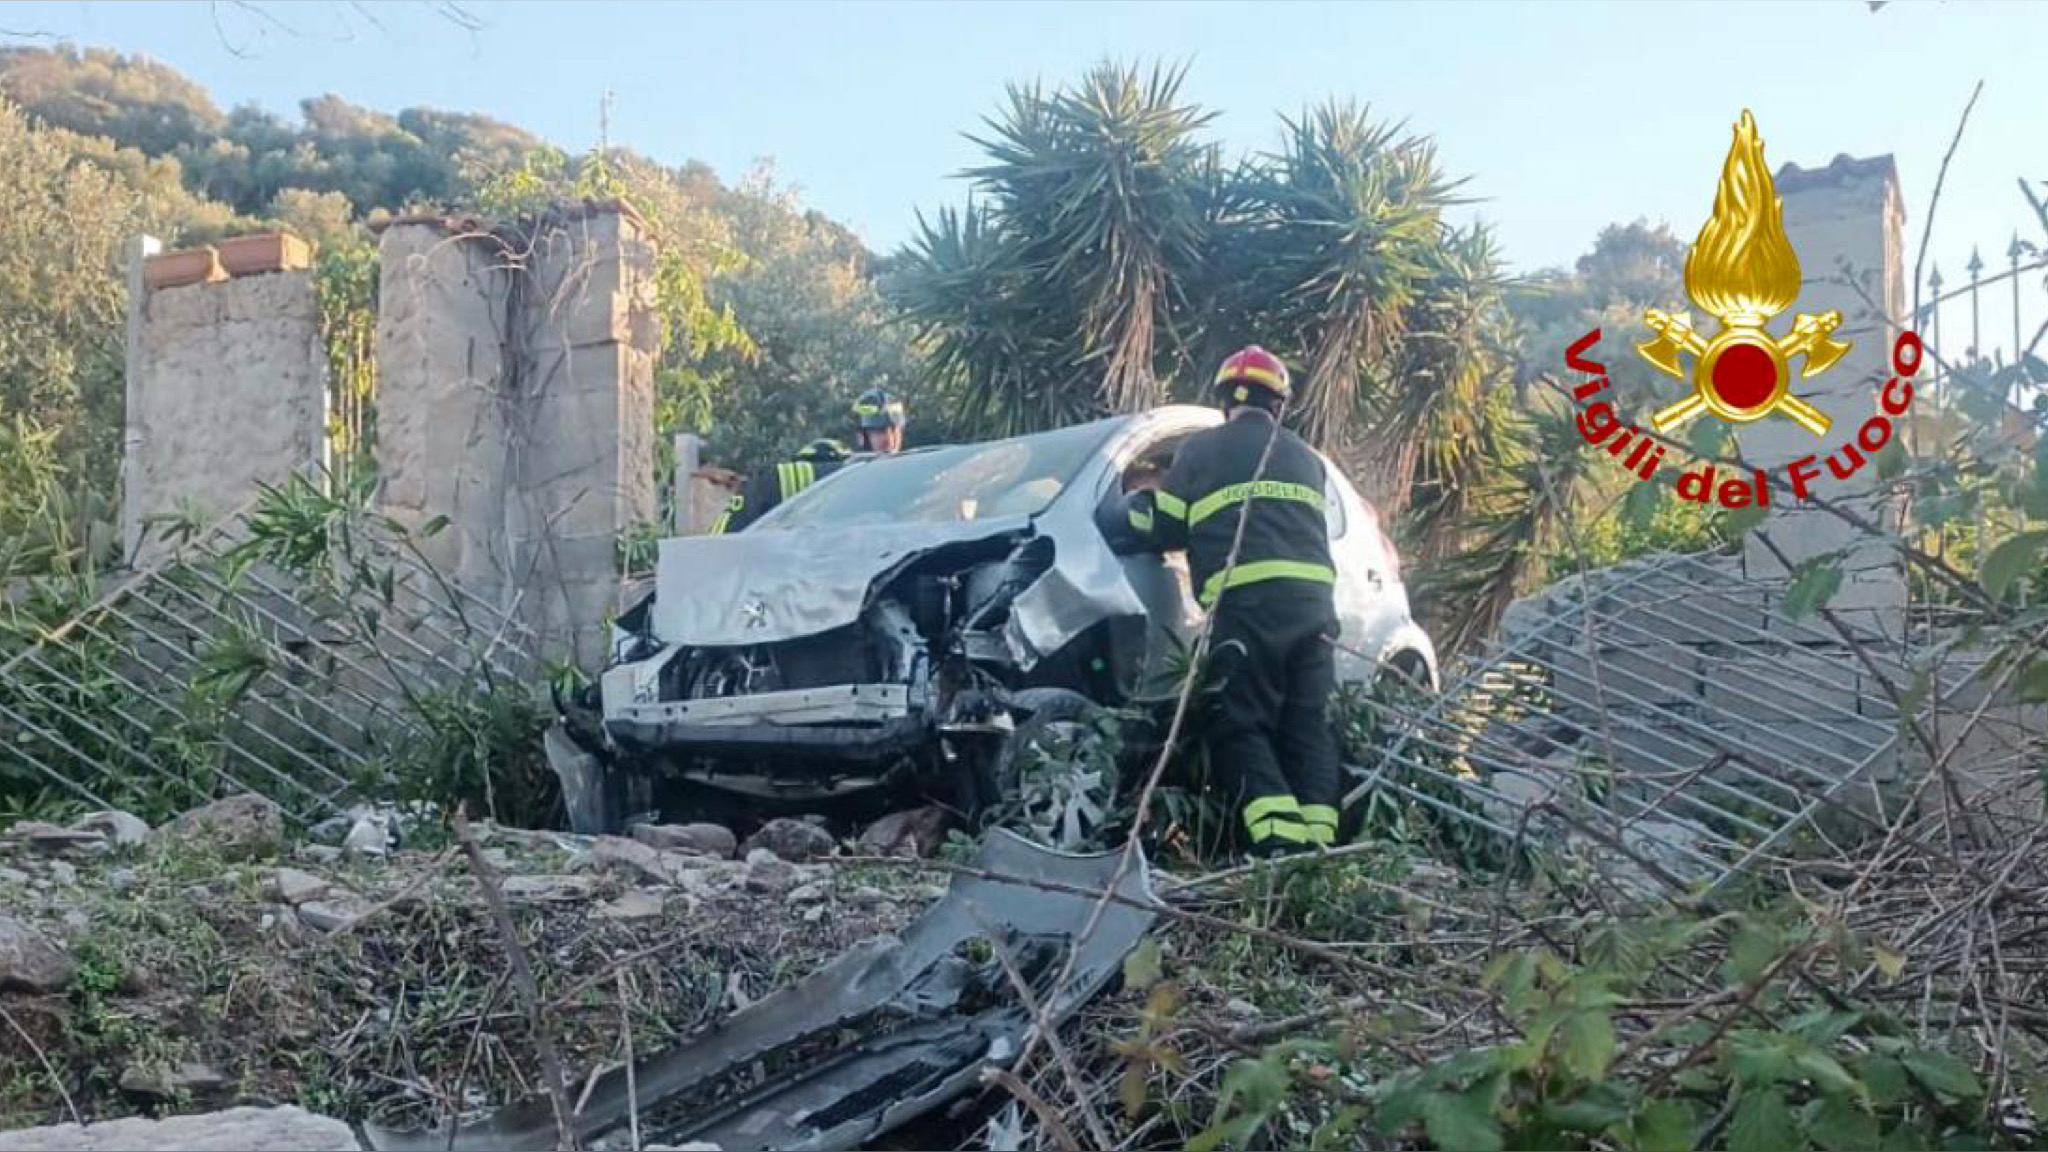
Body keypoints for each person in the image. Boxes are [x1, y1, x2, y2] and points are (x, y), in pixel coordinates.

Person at [1114, 345, 1341, 855]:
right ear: (1279, 405)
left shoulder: (1200, 451)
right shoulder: (1307, 457)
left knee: (1239, 722)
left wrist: (1132, 514)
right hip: (1314, 611)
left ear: (1223, 402)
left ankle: (1278, 844)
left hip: (1249, 607)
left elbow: (1166, 526)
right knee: (1307, 726)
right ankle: (1323, 848)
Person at [707, 387, 909, 534]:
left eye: (894, 430)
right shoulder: (835, 470)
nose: (889, 440)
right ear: (860, 436)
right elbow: (765, 487)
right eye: (880, 431)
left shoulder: (908, 482)